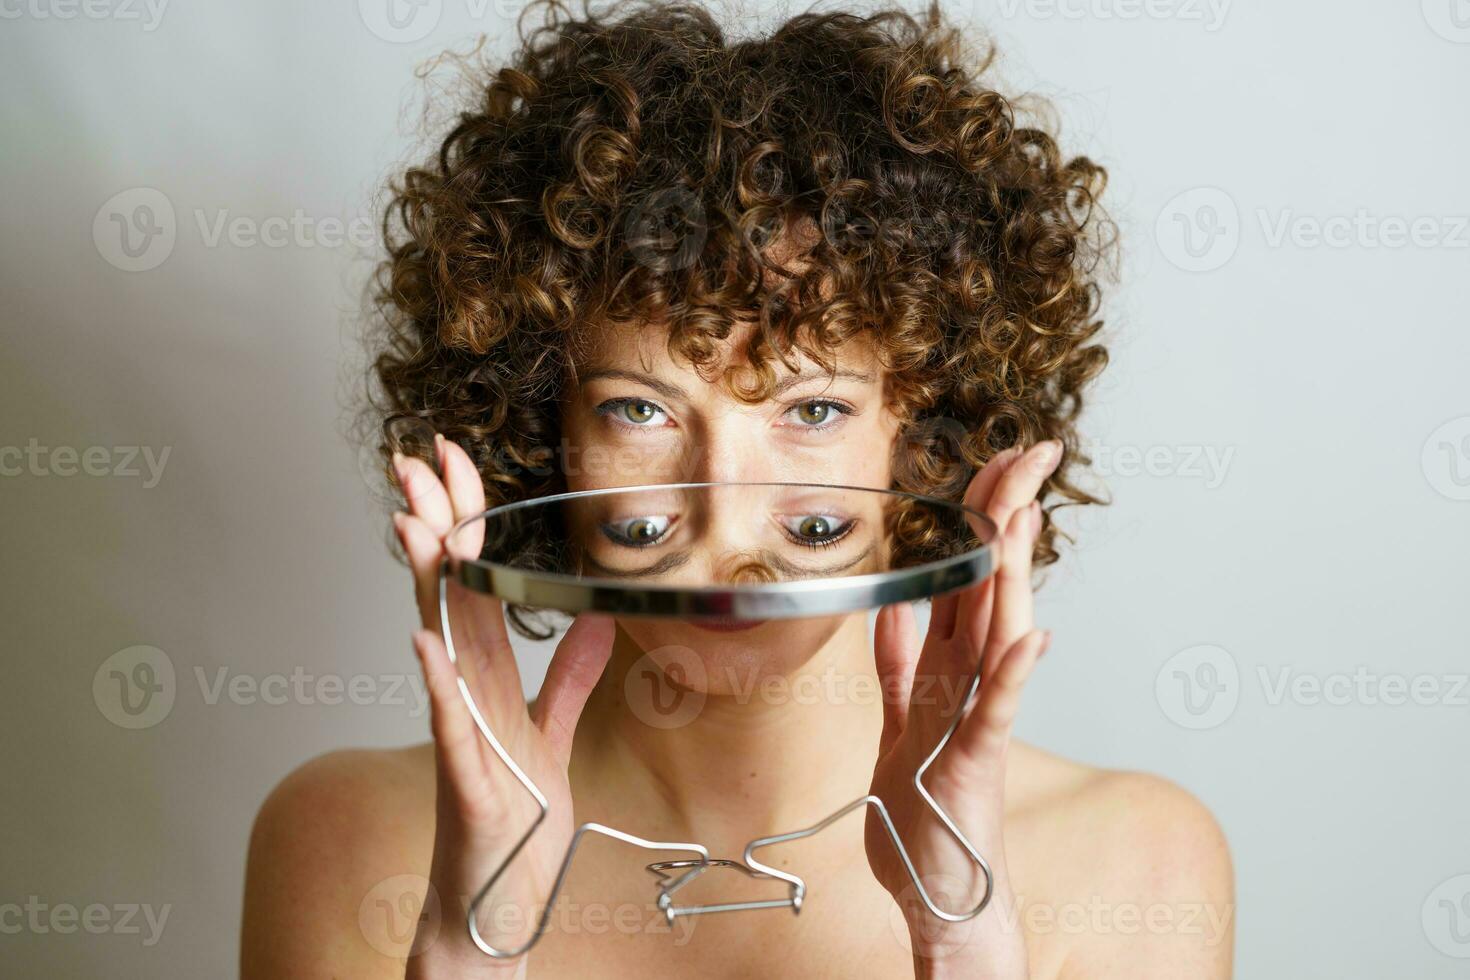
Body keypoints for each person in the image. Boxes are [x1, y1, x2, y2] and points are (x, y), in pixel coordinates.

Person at [241, 2, 1234, 976]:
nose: (727, 527)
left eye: (811, 411)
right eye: (639, 409)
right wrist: (468, 946)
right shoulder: (351, 843)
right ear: (545, 432)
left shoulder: (1137, 862)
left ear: (923, 431)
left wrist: (961, 937)